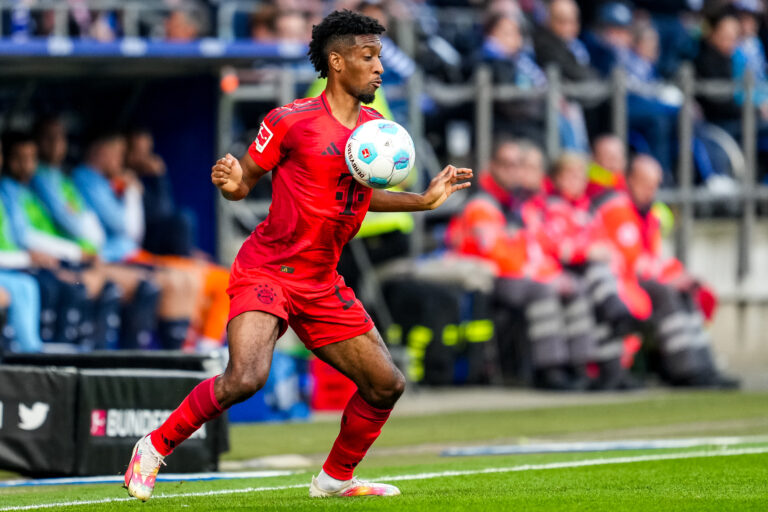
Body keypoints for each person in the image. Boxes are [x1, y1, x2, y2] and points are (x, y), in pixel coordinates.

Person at [124, 9, 472, 501]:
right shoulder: (290, 121)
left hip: (321, 281)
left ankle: (334, 479)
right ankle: (154, 447)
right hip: (268, 269)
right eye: (367, 57)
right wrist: (230, 182)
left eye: (379, 57)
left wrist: (423, 200)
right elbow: (242, 183)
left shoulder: (375, 132)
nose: (378, 67)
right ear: (336, 62)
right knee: (246, 378)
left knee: (385, 385)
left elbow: (359, 194)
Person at [591, 154, 738, 388]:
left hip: (640, 280)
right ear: (629, 179)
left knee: (686, 292)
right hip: (621, 284)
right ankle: (686, 371)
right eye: (645, 183)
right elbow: (630, 262)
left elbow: (651, 258)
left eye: (655, 184)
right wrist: (667, 277)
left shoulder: (649, 214)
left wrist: (679, 276)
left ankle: (705, 367)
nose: (651, 190)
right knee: (666, 293)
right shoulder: (617, 210)